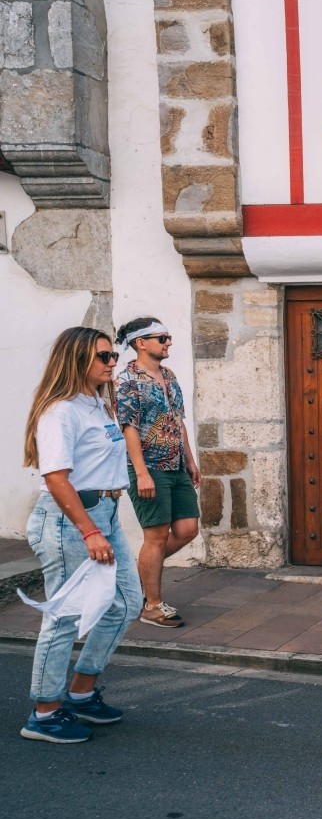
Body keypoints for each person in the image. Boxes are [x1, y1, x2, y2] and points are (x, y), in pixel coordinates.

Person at [19, 327, 144, 743]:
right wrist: (89, 530)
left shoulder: (96, 403)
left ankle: (81, 691)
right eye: (104, 357)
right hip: (69, 520)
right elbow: (56, 478)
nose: (113, 363)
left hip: (104, 511)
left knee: (126, 603)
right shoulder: (61, 411)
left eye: (113, 356)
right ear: (76, 360)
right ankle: (44, 711)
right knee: (65, 616)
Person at [114, 317, 200, 628]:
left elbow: (178, 421)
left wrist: (189, 460)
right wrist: (142, 473)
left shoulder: (169, 375)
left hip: (175, 465)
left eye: (168, 337)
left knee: (188, 529)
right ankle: (151, 605)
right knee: (156, 536)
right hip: (149, 467)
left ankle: (139, 575)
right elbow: (128, 428)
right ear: (141, 343)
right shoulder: (127, 381)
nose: (168, 343)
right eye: (161, 338)